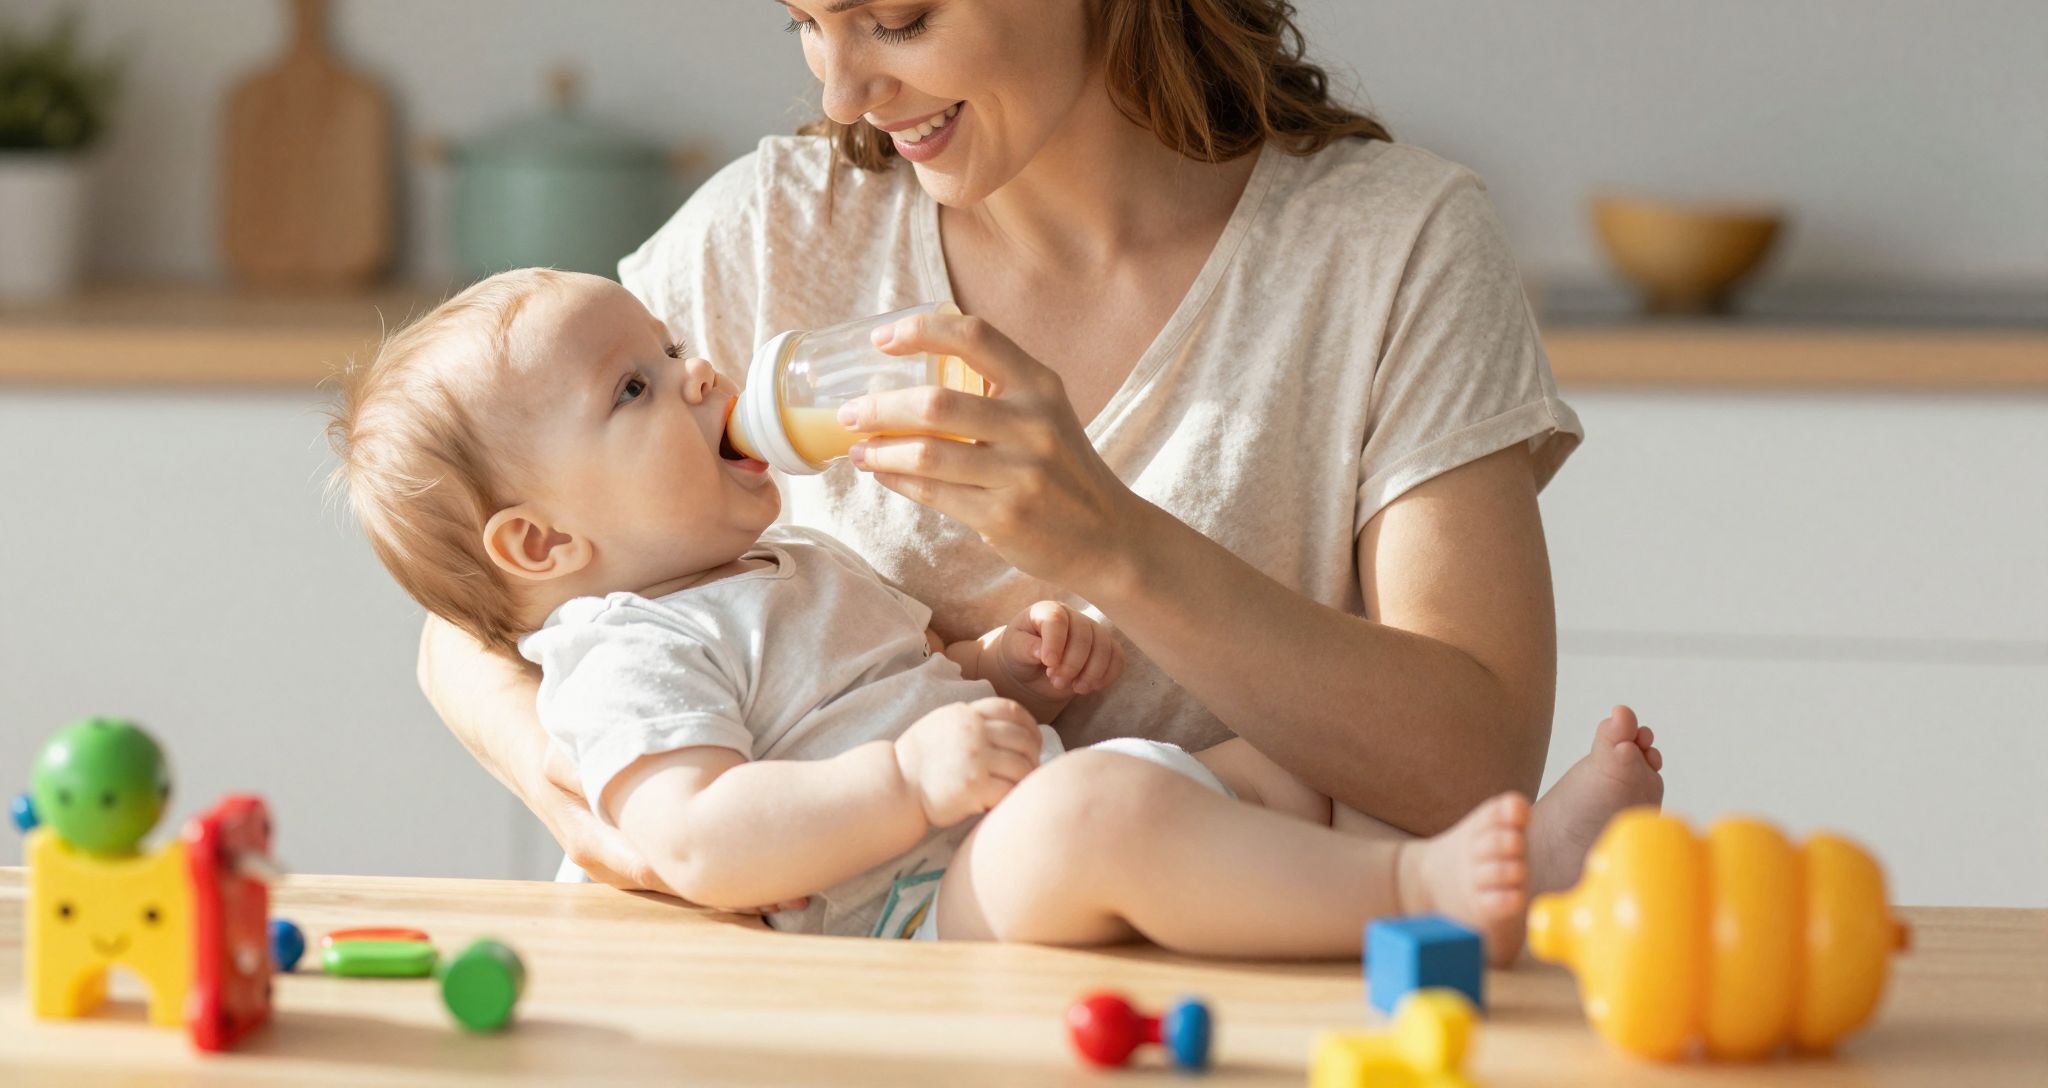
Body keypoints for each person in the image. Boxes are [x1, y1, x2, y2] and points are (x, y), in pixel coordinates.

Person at [419, 0, 1624, 903]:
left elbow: (1474, 767)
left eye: (896, 21)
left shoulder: (1388, 254)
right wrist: (616, 812)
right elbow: (474, 604)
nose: (844, 91)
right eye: (806, 26)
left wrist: (1108, 541)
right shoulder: (775, 231)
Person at [330, 268, 1663, 953]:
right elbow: (698, 838)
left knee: (1283, 772)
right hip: (903, 915)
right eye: (636, 389)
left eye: (673, 351)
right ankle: (1429, 897)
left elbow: (881, 678)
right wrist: (907, 779)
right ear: (544, 541)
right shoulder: (628, 651)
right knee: (1113, 817)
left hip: (986, 827)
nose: (703, 375)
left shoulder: (771, 565)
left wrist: (999, 670)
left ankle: (1514, 884)